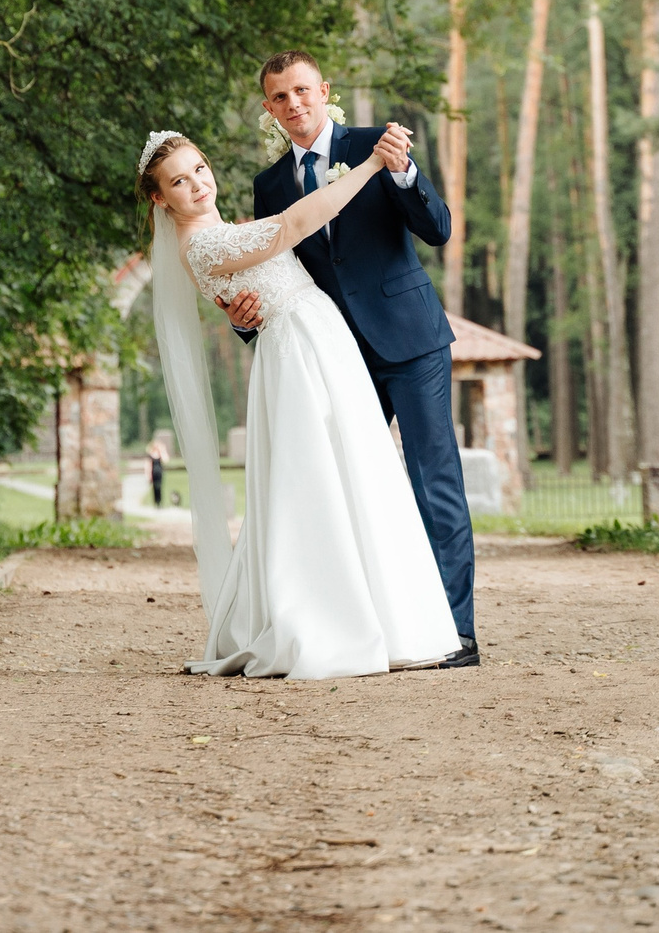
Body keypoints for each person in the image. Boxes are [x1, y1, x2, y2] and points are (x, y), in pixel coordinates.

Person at [138, 129, 461, 679]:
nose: (196, 185)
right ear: (159, 198)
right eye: (178, 181)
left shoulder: (219, 230)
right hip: (299, 353)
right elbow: (292, 226)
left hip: (318, 339)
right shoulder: (204, 243)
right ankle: (329, 619)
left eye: (199, 169)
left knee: (359, 472)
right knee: (320, 480)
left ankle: (391, 617)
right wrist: (367, 168)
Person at [220, 52, 478, 668]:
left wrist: (405, 172)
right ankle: (377, 622)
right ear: (268, 108)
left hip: (410, 340)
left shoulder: (377, 144)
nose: (294, 105)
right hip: (336, 352)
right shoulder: (270, 186)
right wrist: (244, 320)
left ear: (324, 90)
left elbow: (438, 228)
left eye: (302, 91)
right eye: (280, 97)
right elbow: (277, 276)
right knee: (347, 485)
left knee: (431, 478)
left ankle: (456, 632)